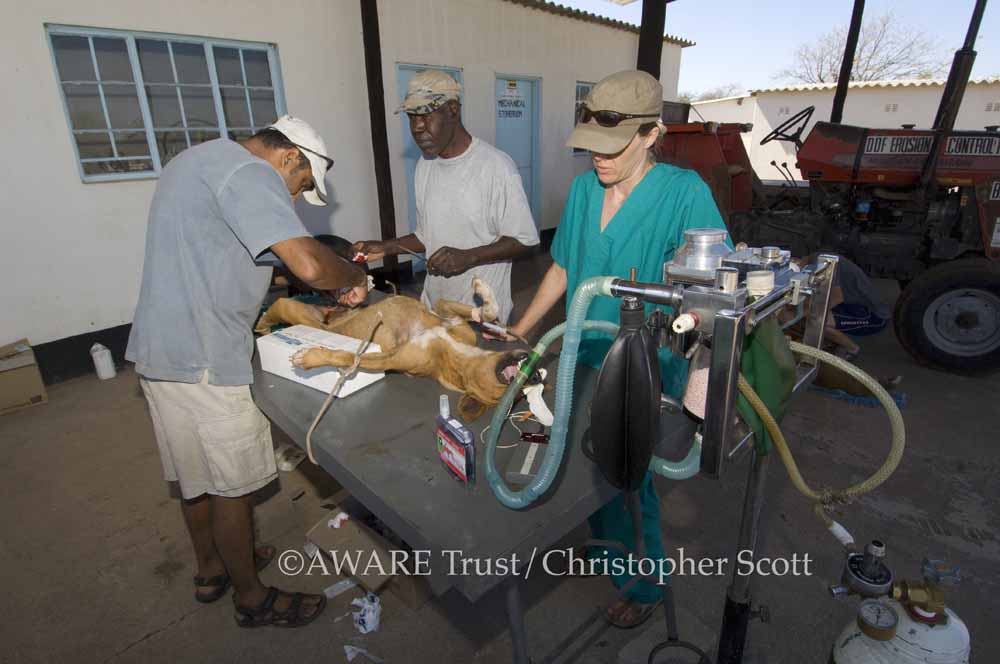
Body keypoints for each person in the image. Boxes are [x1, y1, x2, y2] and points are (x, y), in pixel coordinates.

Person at [126, 115, 368, 628]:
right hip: (209, 358)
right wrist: (349, 276)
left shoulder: (199, 159)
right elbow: (306, 263)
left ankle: (212, 570)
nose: (297, 200)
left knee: (195, 477)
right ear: (289, 157)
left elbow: (226, 251)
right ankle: (252, 599)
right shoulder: (252, 174)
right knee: (231, 486)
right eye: (301, 185)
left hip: (161, 351)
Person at [508, 70, 729, 629]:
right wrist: (524, 327)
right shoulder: (585, 191)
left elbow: (712, 293)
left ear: (652, 134)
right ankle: (609, 549)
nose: (597, 161)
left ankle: (646, 582)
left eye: (612, 148)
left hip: (646, 366)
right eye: (590, 149)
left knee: (632, 477)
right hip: (582, 354)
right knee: (588, 459)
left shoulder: (685, 194)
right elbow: (563, 265)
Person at [352, 70, 539, 323]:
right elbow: (426, 235)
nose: (417, 128)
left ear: (452, 110)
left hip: (481, 314)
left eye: (426, 115)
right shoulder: (425, 165)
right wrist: (386, 247)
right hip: (435, 309)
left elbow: (526, 240)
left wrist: (468, 257)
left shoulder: (495, 167)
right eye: (412, 117)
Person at [794, 254, 890, 359]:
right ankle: (828, 341)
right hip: (852, 305)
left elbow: (833, 299)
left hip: (874, 316)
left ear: (796, 260)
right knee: (808, 312)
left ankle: (851, 349)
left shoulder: (823, 264)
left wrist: (796, 316)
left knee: (816, 320)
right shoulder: (815, 259)